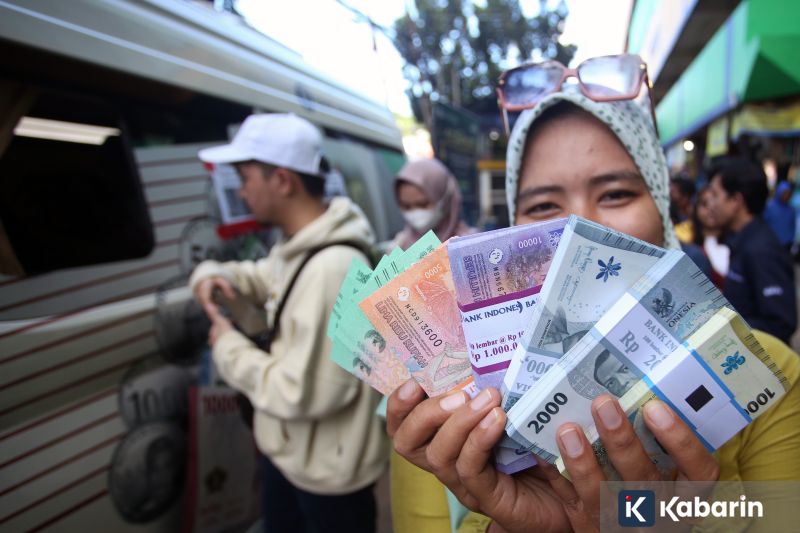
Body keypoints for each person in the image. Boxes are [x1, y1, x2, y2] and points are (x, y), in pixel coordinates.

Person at [387, 65, 800, 533]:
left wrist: (679, 519)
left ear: (662, 207)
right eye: (543, 206)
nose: (578, 232)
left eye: (617, 193)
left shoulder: (774, 369)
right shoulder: (448, 411)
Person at [189, 113, 387, 533]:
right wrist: (213, 274)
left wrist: (226, 345)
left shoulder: (332, 268)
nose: (240, 190)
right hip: (295, 459)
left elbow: (301, 393)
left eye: (245, 177)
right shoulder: (297, 247)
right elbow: (265, 276)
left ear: (281, 180)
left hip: (328, 483)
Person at [706, 159, 797, 344]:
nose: (711, 204)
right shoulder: (740, 240)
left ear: (735, 201)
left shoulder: (760, 249)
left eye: (715, 195)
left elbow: (780, 323)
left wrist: (722, 326)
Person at [391, 158, 476, 251]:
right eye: (406, 206)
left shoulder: (472, 247)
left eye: (423, 204)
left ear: (444, 199)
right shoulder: (399, 247)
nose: (414, 212)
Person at [692, 186, 729, 287]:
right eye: (705, 204)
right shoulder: (685, 240)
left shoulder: (737, 243)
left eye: (715, 203)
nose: (711, 209)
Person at [764, 180, 796, 251]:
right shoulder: (769, 207)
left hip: (786, 245)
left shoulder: (791, 210)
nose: (786, 196)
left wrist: (791, 239)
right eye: (785, 193)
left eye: (788, 194)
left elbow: (792, 226)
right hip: (771, 244)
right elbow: (763, 224)